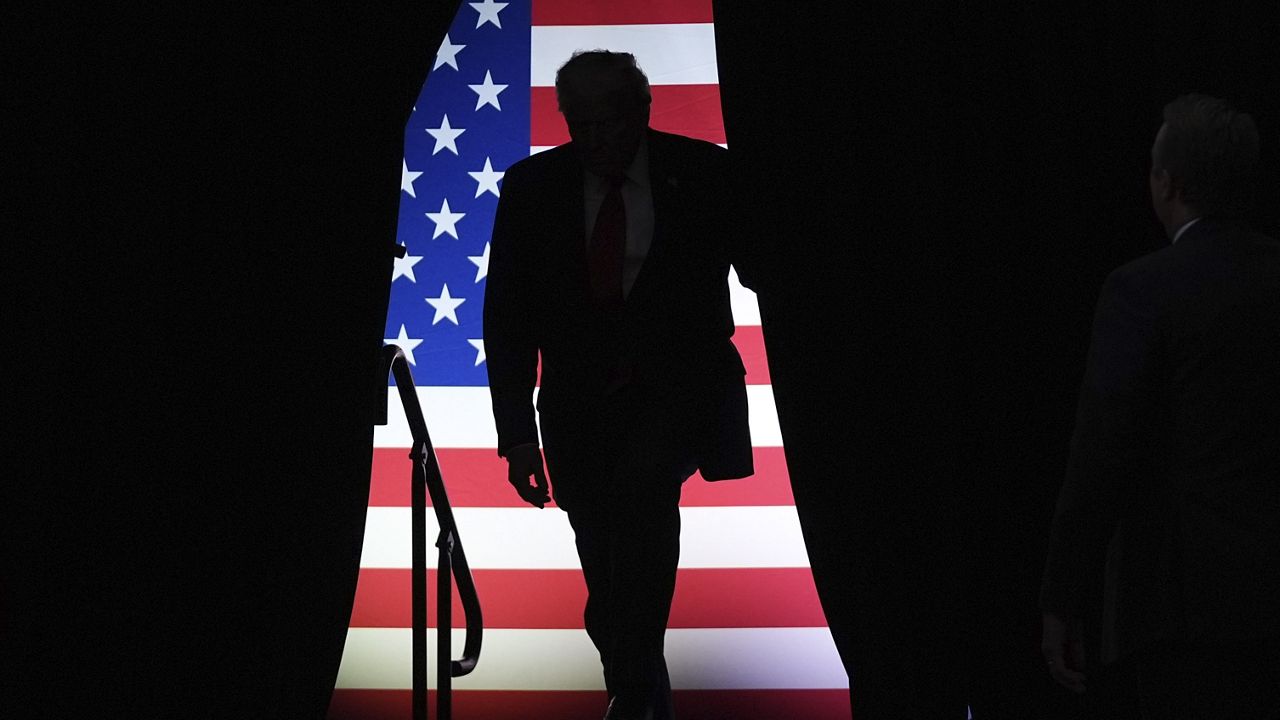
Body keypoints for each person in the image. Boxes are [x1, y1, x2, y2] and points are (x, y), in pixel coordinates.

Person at [483, 50, 754, 720]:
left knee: (643, 492)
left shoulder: (703, 174)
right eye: (581, 124)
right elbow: (508, 320)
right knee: (602, 551)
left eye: (611, 122)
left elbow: (763, 267)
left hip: (676, 394)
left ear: (643, 111)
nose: (597, 140)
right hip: (576, 408)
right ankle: (639, 683)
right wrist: (516, 437)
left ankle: (632, 692)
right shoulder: (532, 188)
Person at [1040, 94, 1280, 719]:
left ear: (1169, 182)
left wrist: (1063, 596)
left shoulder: (1141, 290)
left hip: (1184, 607)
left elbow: (1101, 455)